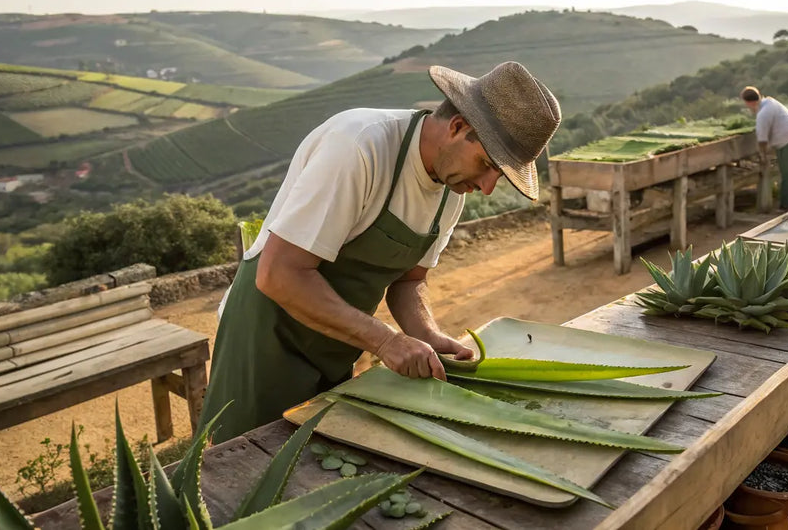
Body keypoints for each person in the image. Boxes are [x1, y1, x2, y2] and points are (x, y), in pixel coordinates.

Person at [199, 61, 562, 442]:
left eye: (498, 176)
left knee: (312, 466)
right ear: (457, 127)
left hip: (337, 343)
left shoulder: (452, 186)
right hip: (263, 345)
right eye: (487, 165)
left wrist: (428, 335)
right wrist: (386, 341)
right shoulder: (360, 145)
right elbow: (279, 274)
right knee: (246, 472)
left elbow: (410, 281)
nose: (487, 187)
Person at [742, 86, 788, 210]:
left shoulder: (762, 114)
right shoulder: (770, 102)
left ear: (749, 102)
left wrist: (763, 155)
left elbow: (762, 140)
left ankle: (787, 207)